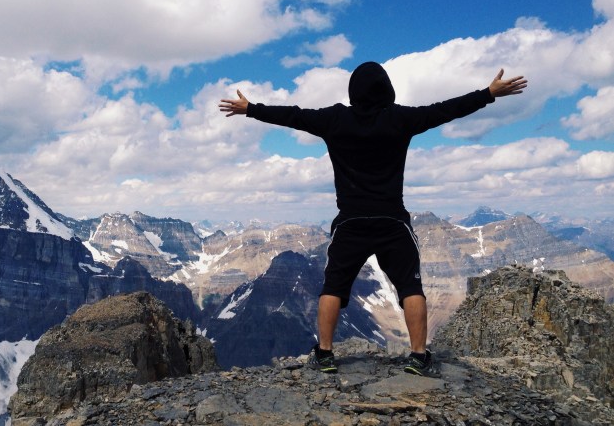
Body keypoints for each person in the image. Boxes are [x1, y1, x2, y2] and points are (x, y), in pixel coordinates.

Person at [218, 62, 527, 376]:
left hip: (350, 222)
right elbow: (444, 110)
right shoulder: (400, 119)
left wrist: (251, 109)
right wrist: (488, 93)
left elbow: (294, 115)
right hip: (392, 220)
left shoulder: (334, 119)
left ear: (353, 91)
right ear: (387, 89)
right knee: (410, 287)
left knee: (333, 287)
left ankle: (324, 354)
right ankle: (418, 356)